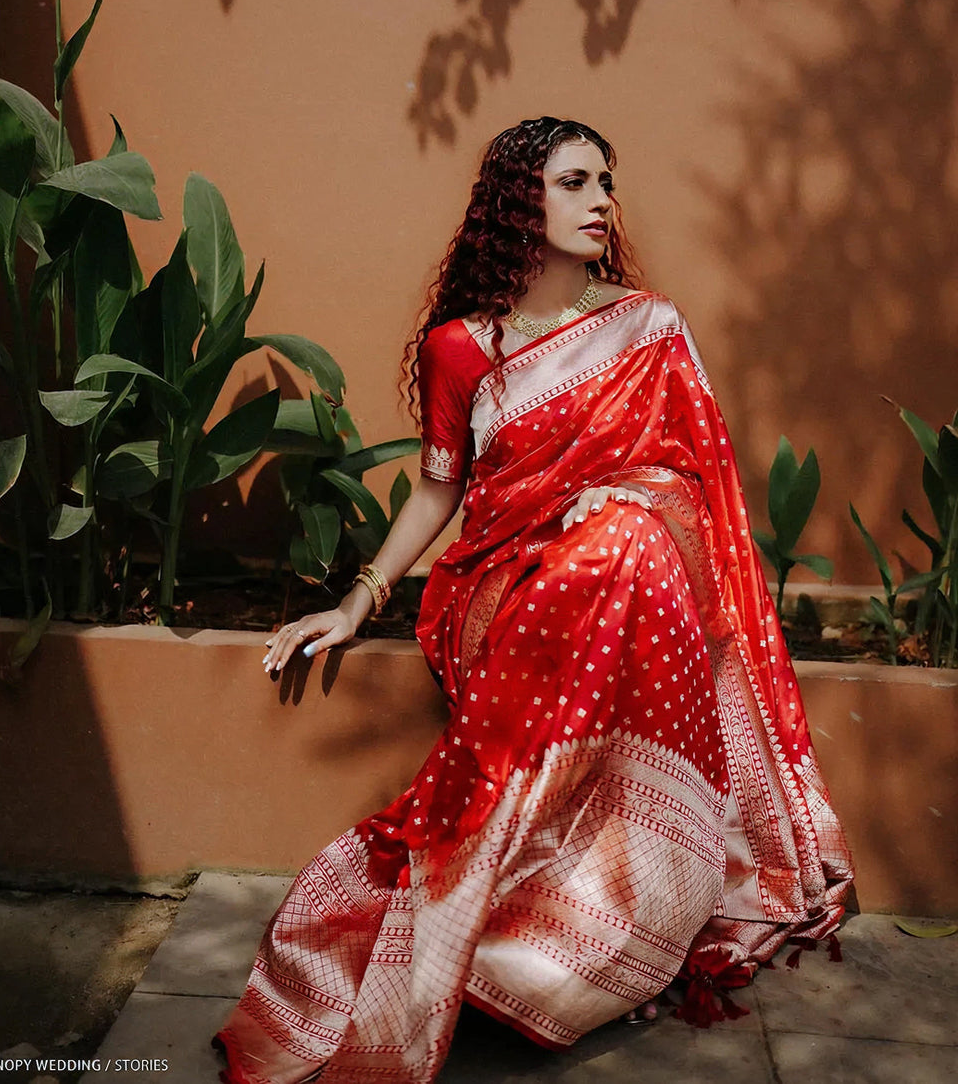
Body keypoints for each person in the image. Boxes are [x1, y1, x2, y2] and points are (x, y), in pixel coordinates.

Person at [212, 117, 853, 1084]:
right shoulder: (460, 349)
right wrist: (360, 599)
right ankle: (476, 897)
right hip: (507, 583)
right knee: (612, 545)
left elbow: (699, 482)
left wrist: (627, 495)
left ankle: (584, 934)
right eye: (575, 182)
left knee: (633, 529)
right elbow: (439, 489)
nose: (601, 201)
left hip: (621, 579)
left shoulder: (649, 328)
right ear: (521, 202)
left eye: (607, 181)